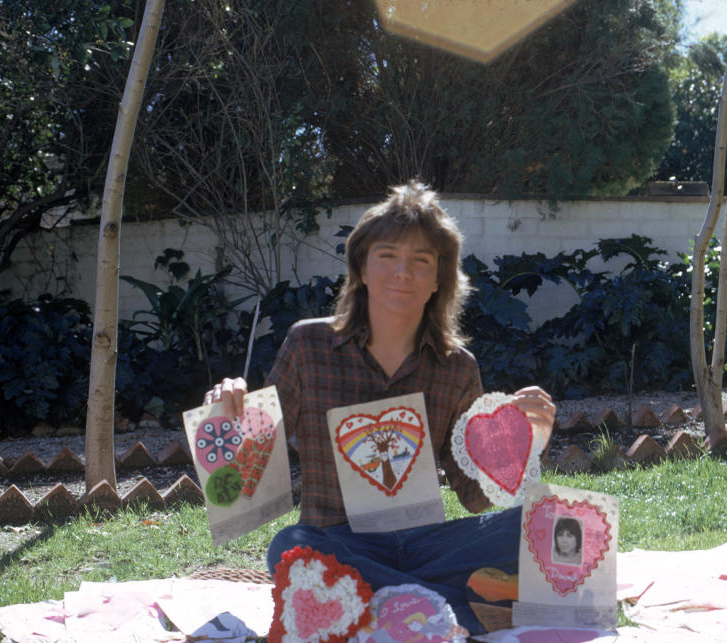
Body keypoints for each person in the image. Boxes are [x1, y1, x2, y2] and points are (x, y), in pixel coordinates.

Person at [206, 180, 555, 634]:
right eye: (387, 255)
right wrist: (224, 416)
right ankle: (446, 609)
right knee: (288, 549)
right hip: (335, 541)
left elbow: (474, 497)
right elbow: (255, 468)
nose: (403, 272)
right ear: (363, 270)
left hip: (426, 543)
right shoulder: (308, 344)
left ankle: (375, 602)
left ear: (438, 281)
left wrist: (529, 443)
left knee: (545, 523)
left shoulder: (457, 368)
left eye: (421, 261)